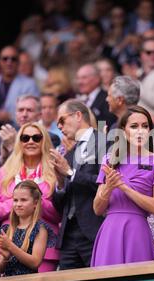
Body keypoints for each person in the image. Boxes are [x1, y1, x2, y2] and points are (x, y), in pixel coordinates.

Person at [91, 106, 154, 266]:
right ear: (123, 131)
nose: (140, 131)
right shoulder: (109, 160)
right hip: (110, 232)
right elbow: (97, 209)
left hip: (138, 231)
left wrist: (124, 187)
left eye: (145, 126)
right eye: (134, 126)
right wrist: (109, 188)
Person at [0, 122, 60, 272]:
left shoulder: (54, 171)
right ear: (19, 142)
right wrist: (18, 200)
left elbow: (59, 214)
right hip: (8, 245)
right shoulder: (6, 170)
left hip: (44, 248)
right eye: (25, 138)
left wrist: (34, 196)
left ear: (44, 141)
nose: (30, 142)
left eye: (36, 138)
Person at [51, 100, 106, 270]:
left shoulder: (104, 142)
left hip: (94, 230)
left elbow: (105, 183)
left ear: (78, 115)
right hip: (68, 234)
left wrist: (70, 173)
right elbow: (60, 206)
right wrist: (60, 184)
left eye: (61, 120)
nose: (59, 126)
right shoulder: (69, 154)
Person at [0, 180, 56, 276]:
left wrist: (10, 247)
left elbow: (35, 263)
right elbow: (0, 269)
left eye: (23, 200)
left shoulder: (40, 229)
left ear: (35, 203)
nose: (18, 204)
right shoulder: (8, 229)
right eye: (15, 200)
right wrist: (6, 258)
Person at [0, 46, 39, 124]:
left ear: (18, 62)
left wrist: (10, 116)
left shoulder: (29, 84)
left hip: (17, 129)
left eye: (13, 59)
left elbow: (34, 113)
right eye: (5, 59)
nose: (9, 62)